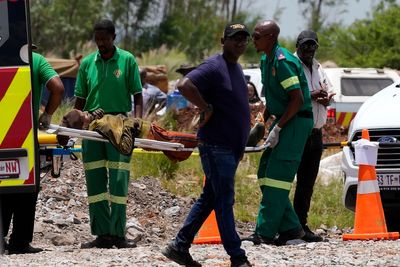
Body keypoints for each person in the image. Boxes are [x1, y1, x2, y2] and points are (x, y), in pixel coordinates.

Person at [162, 23, 252, 267]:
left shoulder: (236, 67)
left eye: (244, 39)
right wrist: (205, 106)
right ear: (223, 41)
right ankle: (237, 256)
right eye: (235, 39)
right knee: (224, 199)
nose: (240, 43)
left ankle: (179, 246)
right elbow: (183, 85)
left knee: (210, 198)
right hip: (216, 145)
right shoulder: (214, 66)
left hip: (230, 147)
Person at [73, 19, 143, 249]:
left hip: (120, 123)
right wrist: (75, 121)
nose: (101, 43)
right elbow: (80, 100)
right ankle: (102, 234)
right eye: (98, 39)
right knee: (94, 179)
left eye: (105, 39)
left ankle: (118, 234)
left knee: (119, 179)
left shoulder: (127, 60)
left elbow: (137, 95)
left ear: (114, 37)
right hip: (92, 125)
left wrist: (137, 122)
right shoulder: (86, 64)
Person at [244, 20, 314, 246]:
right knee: (265, 173)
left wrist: (279, 128)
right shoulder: (266, 59)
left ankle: (264, 232)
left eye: (257, 36)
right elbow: (274, 97)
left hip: (294, 121)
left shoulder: (283, 61)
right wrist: (262, 122)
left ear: (271, 38)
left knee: (277, 177)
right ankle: (292, 229)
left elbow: (297, 99)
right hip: (284, 119)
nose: (252, 40)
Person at [1, 50, 65, 254]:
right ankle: (19, 242)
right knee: (26, 187)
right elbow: (58, 87)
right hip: (24, 136)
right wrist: (47, 115)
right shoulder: (36, 60)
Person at [293, 30, 335, 242]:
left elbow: (329, 91)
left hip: (316, 133)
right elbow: (288, 97)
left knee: (307, 183)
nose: (309, 49)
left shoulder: (319, 68)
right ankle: (285, 227)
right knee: (284, 182)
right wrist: (311, 96)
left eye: (313, 45)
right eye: (306, 45)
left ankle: (301, 225)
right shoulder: (290, 65)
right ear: (298, 45)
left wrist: (326, 98)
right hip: (297, 132)